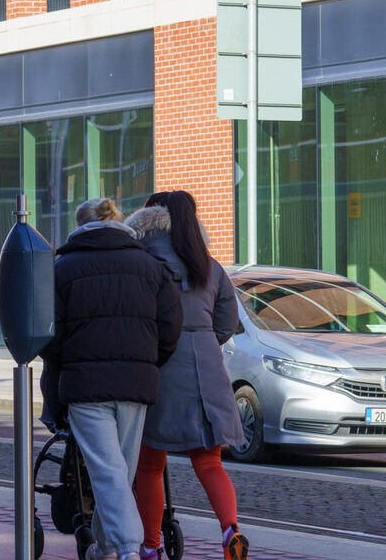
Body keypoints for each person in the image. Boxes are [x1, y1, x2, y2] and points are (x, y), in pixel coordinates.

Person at [41, 197, 183, 560]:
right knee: (119, 471)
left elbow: (48, 333)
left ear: (80, 225)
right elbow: (170, 326)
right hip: (136, 385)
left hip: (86, 387)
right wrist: (148, 361)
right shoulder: (150, 266)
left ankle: (125, 549)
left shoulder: (63, 268)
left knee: (108, 472)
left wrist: (66, 363)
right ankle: (106, 549)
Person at [125, 191, 248, 560]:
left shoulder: (142, 263)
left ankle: (150, 546)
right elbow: (227, 324)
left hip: (158, 367)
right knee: (209, 461)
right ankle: (230, 530)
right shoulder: (208, 266)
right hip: (207, 371)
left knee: (149, 464)